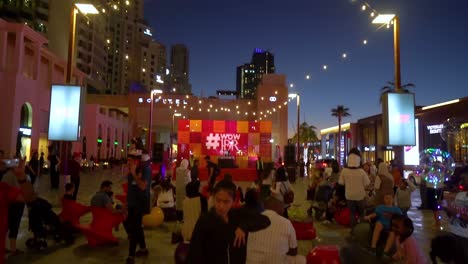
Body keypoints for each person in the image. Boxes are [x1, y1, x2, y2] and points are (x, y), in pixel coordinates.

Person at [187, 179, 271, 264]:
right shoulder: (205, 220)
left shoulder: (237, 215)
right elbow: (194, 252)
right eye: (218, 200)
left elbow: (265, 220)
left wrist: (244, 227)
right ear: (213, 198)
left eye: (226, 202)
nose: (221, 206)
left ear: (233, 201)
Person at [247, 197, 306, 264]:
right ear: (277, 206)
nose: (283, 209)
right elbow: (294, 251)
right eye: (282, 206)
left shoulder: (253, 220)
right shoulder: (286, 222)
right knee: (302, 259)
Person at [1, 158, 35, 262]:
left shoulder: (4, 188)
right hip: (14, 206)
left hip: (14, 205)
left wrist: (22, 177)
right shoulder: (6, 182)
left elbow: (28, 197)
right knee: (14, 225)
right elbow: (29, 197)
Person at [124, 149, 152, 264]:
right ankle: (143, 248)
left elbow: (142, 186)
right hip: (132, 203)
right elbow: (131, 188)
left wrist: (134, 173)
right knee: (135, 227)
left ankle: (131, 255)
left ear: (136, 161)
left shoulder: (146, 170)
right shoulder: (131, 171)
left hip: (140, 203)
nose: (128, 163)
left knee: (134, 229)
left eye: (130, 160)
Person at [338, 148, 369, 227]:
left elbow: (341, 182)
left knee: (352, 214)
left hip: (349, 195)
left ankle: (353, 231)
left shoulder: (344, 171)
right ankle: (361, 230)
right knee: (362, 213)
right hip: (360, 196)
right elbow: (367, 183)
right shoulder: (361, 171)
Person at [1, 161, 27, 256]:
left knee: (11, 226)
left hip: (15, 203)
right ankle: (12, 249)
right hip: (13, 204)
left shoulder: (12, 176)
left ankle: (10, 248)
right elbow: (26, 196)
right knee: (12, 226)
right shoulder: (9, 177)